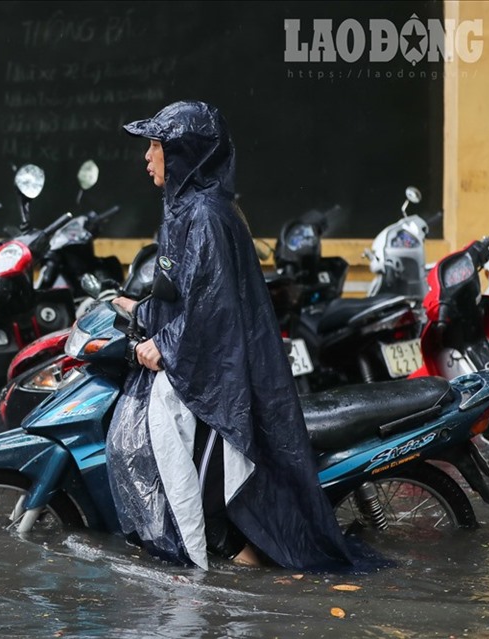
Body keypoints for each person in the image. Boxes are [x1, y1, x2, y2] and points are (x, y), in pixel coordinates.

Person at [106, 100, 360, 571]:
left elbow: (212, 307)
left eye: (156, 146)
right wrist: (142, 311)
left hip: (222, 374)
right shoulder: (186, 209)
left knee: (204, 494)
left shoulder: (205, 216)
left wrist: (164, 345)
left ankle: (239, 587)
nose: (147, 157)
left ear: (184, 154)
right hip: (208, 364)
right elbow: (183, 290)